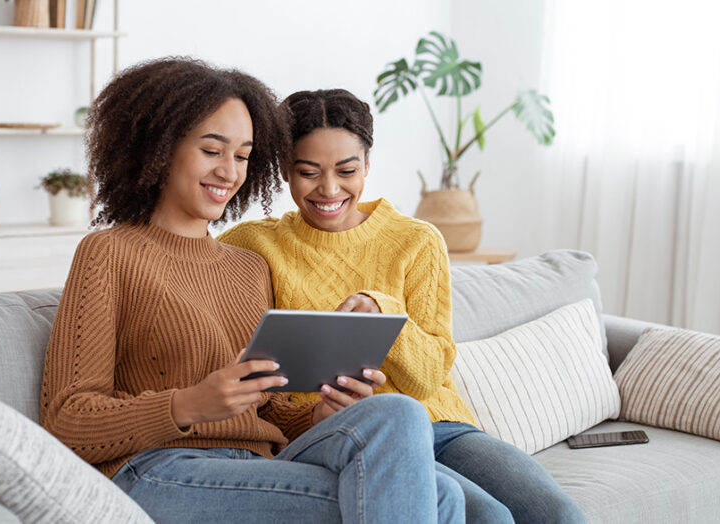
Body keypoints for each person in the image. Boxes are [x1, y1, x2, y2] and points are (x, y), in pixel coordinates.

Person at [40, 59, 465, 524]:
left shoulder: (247, 266)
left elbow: (272, 409)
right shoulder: (108, 253)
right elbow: (67, 420)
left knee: (400, 416)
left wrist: (319, 414)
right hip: (160, 469)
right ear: (159, 149)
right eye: (211, 150)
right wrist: (187, 405)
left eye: (242, 156)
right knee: (436, 499)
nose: (228, 172)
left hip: (262, 465)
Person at [219, 88, 586, 523]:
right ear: (284, 169)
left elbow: (430, 375)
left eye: (347, 170)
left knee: (559, 514)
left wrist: (383, 309)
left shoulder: (417, 241)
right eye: (308, 171)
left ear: (368, 165)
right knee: (488, 517)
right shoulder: (252, 246)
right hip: (348, 434)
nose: (329, 188)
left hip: (442, 427)